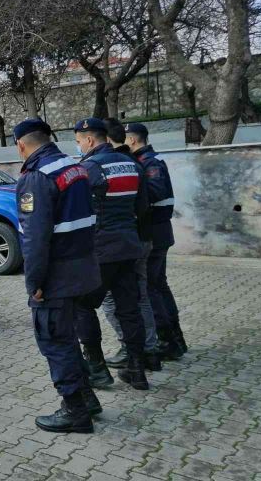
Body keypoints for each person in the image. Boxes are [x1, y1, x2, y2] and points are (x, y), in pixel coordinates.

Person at [14, 118, 102, 433]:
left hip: (57, 275)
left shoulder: (36, 177)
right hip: (85, 268)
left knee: (54, 340)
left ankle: (76, 411)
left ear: (21, 145)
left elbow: (34, 238)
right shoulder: (75, 167)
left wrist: (34, 283)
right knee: (67, 338)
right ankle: (88, 398)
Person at [73, 118, 150, 391]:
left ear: (90, 140)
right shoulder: (132, 164)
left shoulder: (89, 168)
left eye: (79, 141)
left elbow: (81, 212)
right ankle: (137, 370)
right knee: (129, 310)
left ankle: (97, 370)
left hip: (101, 250)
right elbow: (143, 208)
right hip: (130, 247)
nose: (79, 146)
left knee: (83, 306)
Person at [101, 119, 162, 372]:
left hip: (121, 243)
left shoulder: (110, 165)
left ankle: (131, 348)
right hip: (140, 238)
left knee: (113, 299)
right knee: (141, 296)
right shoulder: (135, 164)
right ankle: (149, 349)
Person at [126, 123, 187, 358]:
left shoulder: (148, 162)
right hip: (159, 232)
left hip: (154, 232)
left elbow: (155, 193)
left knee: (152, 288)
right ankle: (176, 339)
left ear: (132, 140)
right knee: (159, 285)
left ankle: (168, 340)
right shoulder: (148, 160)